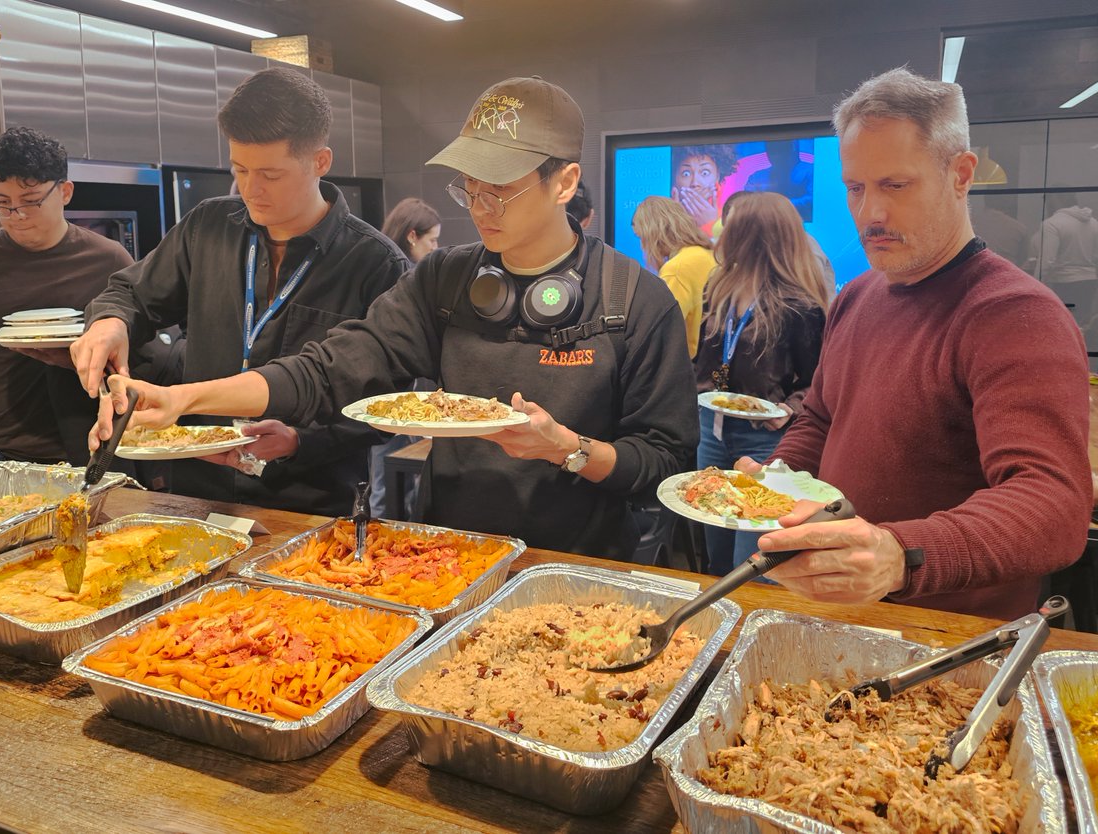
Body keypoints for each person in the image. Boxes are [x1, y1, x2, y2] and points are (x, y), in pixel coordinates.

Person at [89, 75, 697, 561]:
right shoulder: (444, 279)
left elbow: (667, 462)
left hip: (586, 563)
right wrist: (184, 398)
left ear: (564, 182)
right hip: (451, 553)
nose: (480, 208)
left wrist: (568, 448)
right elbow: (330, 370)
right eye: (469, 189)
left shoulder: (636, 300)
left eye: (499, 190)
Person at [741, 67, 1090, 620]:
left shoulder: (1014, 314)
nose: (870, 213)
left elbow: (1052, 505)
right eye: (856, 188)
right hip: (839, 609)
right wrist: (774, 483)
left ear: (961, 174)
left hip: (949, 635)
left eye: (895, 186)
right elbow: (821, 419)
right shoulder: (856, 296)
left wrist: (899, 555)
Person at [71, 67, 408, 515]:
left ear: (320, 162)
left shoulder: (376, 263)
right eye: (240, 169)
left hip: (306, 501)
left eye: (270, 173)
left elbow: (390, 405)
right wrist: (110, 322)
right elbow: (131, 294)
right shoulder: (208, 226)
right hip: (195, 486)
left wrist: (301, 440)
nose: (251, 189)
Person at [0, 126, 132, 465]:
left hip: (90, 444)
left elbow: (136, 359)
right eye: (2, 203)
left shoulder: (110, 259)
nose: (15, 216)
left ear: (65, 192)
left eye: (30, 202)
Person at [695, 192, 830, 575]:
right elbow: (707, 362)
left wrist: (790, 407)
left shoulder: (800, 304)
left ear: (753, 235)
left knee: (750, 561)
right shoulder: (718, 289)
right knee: (715, 551)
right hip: (712, 430)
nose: (721, 234)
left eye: (732, 226)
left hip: (766, 437)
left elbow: (820, 378)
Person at [369, 196, 442, 518]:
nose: (436, 247)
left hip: (392, 401)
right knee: (386, 486)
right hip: (388, 400)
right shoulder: (397, 276)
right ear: (412, 235)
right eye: (432, 240)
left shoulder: (386, 266)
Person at [631, 196, 716, 358]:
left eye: (641, 237)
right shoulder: (707, 254)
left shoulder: (676, 269)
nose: (643, 245)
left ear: (653, 233)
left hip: (691, 365)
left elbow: (660, 331)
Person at [1026, 192, 1098, 345]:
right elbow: (1096, 254)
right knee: (1080, 327)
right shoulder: (1093, 222)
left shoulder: (1052, 223)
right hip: (1089, 282)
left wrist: (1034, 286)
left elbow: (1047, 261)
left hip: (1064, 283)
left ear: (1051, 203)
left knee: (1061, 330)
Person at [671, 144, 739, 241]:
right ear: (675, 179)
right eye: (686, 174)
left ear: (717, 176)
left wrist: (711, 225)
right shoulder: (661, 221)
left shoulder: (733, 218)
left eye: (705, 173)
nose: (695, 183)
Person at [381, 197, 441, 263]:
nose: (435, 248)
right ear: (412, 237)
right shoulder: (407, 270)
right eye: (432, 240)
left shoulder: (381, 263)